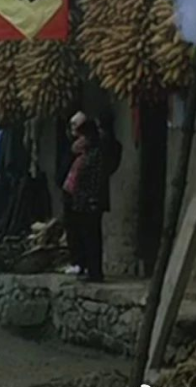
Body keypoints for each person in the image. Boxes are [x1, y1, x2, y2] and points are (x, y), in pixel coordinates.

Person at [63, 119, 106, 283]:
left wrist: (91, 199)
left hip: (89, 203)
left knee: (92, 238)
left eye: (82, 137)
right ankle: (87, 268)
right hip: (80, 202)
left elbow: (95, 180)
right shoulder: (84, 154)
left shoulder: (95, 155)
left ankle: (95, 272)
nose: (79, 140)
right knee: (85, 237)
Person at [59, 112, 88, 276]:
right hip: (71, 192)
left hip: (79, 194)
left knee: (79, 229)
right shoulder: (73, 147)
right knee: (72, 228)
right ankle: (77, 261)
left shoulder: (84, 147)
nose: (72, 130)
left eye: (74, 126)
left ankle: (80, 262)